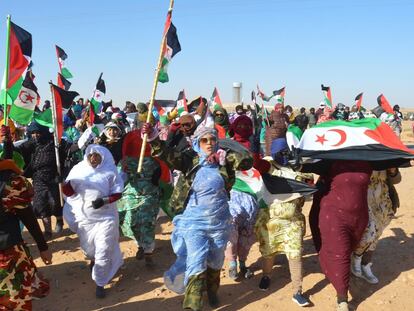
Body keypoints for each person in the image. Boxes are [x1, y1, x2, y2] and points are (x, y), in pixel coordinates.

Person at [143, 123, 252, 310]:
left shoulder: (225, 161)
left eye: (212, 140)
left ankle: (212, 290)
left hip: (218, 222)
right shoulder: (189, 160)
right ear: (197, 143)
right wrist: (153, 137)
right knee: (196, 260)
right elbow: (168, 155)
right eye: (204, 140)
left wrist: (226, 155)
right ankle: (192, 305)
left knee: (216, 259)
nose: (209, 143)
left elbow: (247, 161)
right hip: (193, 222)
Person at [255, 138, 313, 307]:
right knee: (269, 252)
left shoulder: (299, 168)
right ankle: (266, 276)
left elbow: (309, 190)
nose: (284, 155)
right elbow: (256, 165)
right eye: (281, 152)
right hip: (269, 220)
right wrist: (255, 147)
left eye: (286, 152)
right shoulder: (269, 166)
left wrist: (299, 170)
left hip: (293, 221)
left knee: (295, 254)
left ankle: (297, 291)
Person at [308, 160, 373, 311]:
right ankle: (342, 298)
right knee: (341, 254)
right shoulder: (329, 158)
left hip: (359, 217)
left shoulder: (370, 157)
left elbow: (395, 177)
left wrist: (393, 171)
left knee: (346, 252)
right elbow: (307, 166)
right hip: (333, 214)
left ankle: (341, 276)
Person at [62, 144, 124, 298]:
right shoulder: (78, 170)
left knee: (103, 249)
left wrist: (104, 201)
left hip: (106, 218)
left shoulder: (110, 171)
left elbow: (117, 192)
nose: (94, 158)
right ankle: (93, 260)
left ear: (103, 156)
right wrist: (64, 184)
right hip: (85, 219)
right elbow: (70, 193)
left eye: (97, 155)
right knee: (89, 250)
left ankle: (100, 282)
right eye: (91, 155)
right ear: (87, 156)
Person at [3, 121, 70, 239]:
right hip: (38, 177)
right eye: (33, 133)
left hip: (53, 177)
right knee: (41, 203)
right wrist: (7, 139)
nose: (35, 135)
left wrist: (62, 175)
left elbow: (67, 158)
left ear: (43, 132)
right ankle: (47, 230)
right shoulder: (30, 144)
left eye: (38, 132)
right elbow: (15, 151)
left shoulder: (55, 143)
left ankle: (59, 220)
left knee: (55, 202)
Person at [0, 158, 52, 310]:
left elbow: (28, 217)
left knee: (15, 301)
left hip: (8, 257)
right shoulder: (11, 182)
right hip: (9, 255)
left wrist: (43, 247)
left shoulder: (10, 182)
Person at [117, 130, 161, 266]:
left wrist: (157, 176)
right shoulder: (124, 162)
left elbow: (163, 176)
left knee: (147, 224)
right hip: (130, 198)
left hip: (149, 196)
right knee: (131, 223)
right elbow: (119, 180)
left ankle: (148, 252)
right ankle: (140, 245)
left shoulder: (156, 161)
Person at [351, 168, 401, 284]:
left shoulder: (385, 154)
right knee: (369, 233)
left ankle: (366, 264)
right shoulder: (361, 154)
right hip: (364, 199)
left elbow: (397, 180)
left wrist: (393, 171)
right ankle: (357, 257)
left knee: (376, 235)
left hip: (383, 201)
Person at [225, 168, 260, 281]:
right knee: (231, 230)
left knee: (247, 234)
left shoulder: (257, 162)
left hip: (252, 200)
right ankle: (232, 264)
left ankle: (242, 264)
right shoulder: (226, 159)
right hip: (232, 197)